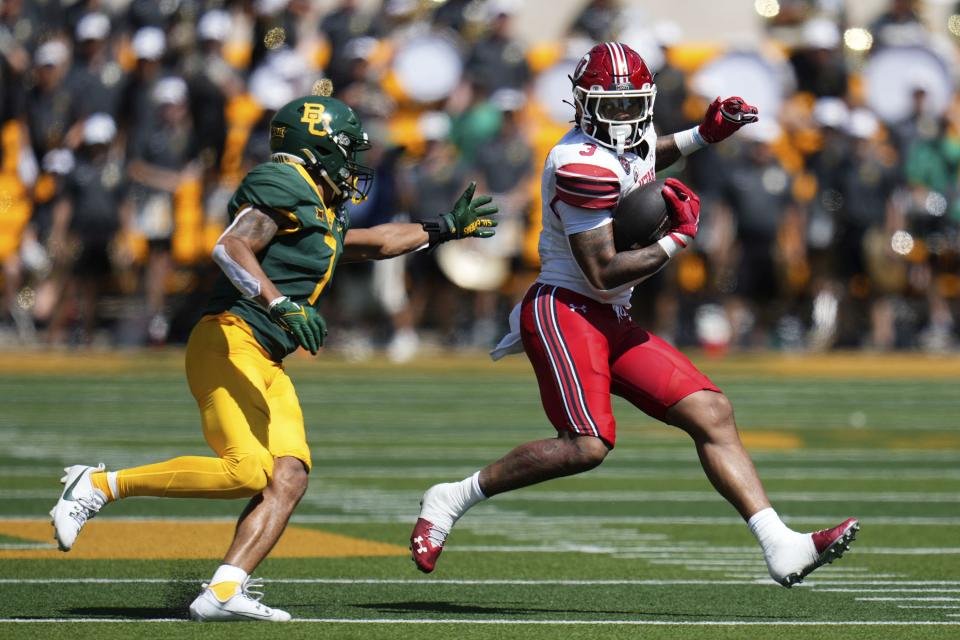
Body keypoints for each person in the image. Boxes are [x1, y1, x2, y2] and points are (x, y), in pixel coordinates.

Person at [410, 42, 858, 588]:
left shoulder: (621, 142)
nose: (624, 118)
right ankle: (453, 496)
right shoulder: (578, 163)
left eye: (632, 105)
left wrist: (703, 136)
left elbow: (646, 153)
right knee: (587, 445)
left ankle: (779, 543)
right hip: (566, 309)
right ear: (583, 104)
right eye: (612, 106)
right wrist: (677, 240)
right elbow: (601, 271)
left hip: (608, 315)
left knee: (712, 412)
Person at [49, 94, 498, 622]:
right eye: (346, 150)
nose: (354, 163)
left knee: (289, 475)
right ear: (318, 149)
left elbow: (372, 243)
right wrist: (280, 302)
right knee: (246, 472)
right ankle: (99, 485)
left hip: (268, 357)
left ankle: (222, 591)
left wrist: (442, 227)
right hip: (229, 338)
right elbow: (231, 247)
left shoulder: (320, 204)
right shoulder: (281, 183)